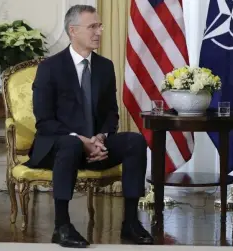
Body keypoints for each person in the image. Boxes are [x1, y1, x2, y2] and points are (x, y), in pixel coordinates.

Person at [25, 5, 153, 248]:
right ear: (73, 31)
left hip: (95, 147)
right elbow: (44, 121)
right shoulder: (50, 68)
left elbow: (111, 114)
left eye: (100, 26)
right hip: (59, 147)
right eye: (92, 26)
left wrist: (101, 138)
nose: (99, 32)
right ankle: (61, 226)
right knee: (71, 143)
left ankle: (130, 222)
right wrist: (81, 139)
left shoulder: (104, 67)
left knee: (135, 141)